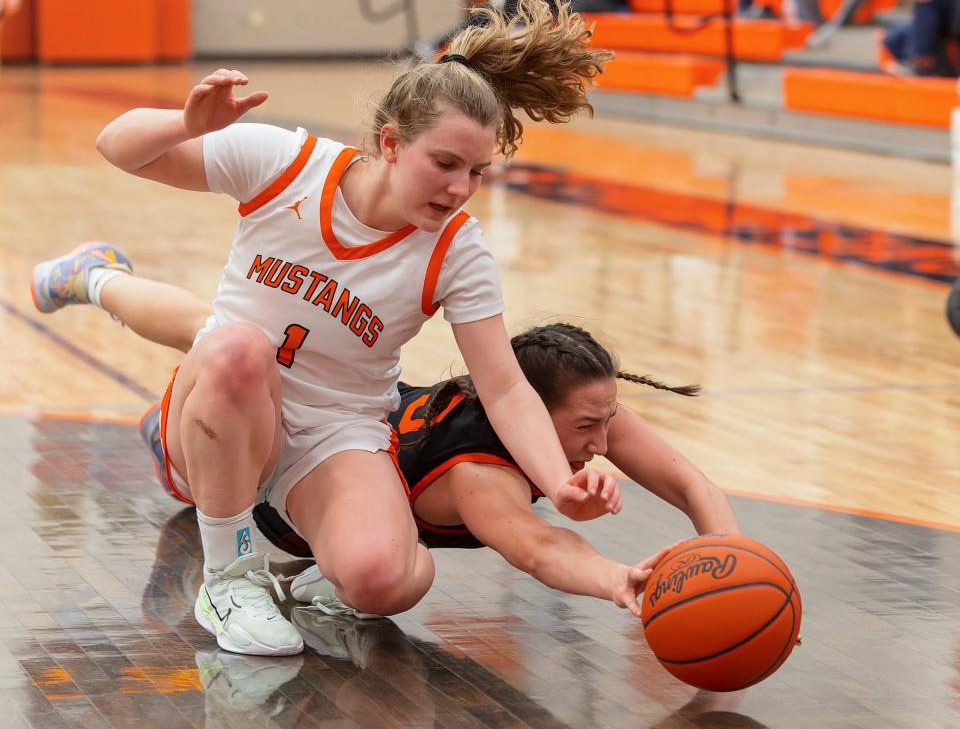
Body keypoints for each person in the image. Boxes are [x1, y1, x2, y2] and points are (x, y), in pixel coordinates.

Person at [30, 0, 620, 658]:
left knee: (384, 580)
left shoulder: (458, 249)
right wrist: (187, 124)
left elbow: (506, 387)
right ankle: (230, 577)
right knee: (235, 347)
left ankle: (338, 557)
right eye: (445, 163)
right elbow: (116, 146)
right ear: (392, 143)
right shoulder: (286, 164)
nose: (459, 188)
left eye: (478, 172)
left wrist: (560, 485)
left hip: (334, 430)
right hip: (229, 403)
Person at [31, 242, 738, 619]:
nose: (605, 438)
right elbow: (542, 547)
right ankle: (93, 277)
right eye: (589, 425)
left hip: (348, 438)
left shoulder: (580, 407)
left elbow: (688, 479)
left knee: (214, 335)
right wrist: (623, 581)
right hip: (261, 470)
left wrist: (738, 568)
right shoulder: (479, 476)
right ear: (522, 406)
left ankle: (101, 279)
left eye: (607, 419)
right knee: (218, 337)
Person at [882, 0, 960, 75]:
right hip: (935, 13)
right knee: (893, 39)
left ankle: (920, 61)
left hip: (952, 9)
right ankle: (923, 63)